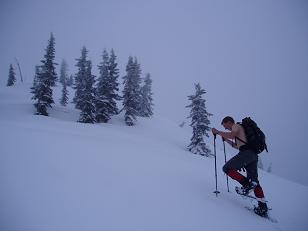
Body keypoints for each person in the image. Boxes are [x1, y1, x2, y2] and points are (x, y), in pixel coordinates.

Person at [212, 116, 268, 216]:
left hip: (246, 154)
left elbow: (232, 135)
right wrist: (225, 139)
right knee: (254, 181)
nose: (226, 128)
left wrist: (218, 132)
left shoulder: (236, 126)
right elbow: (237, 145)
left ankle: (246, 184)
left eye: (226, 126)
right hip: (253, 156)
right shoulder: (241, 131)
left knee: (226, 168)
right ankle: (262, 207)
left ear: (229, 122)